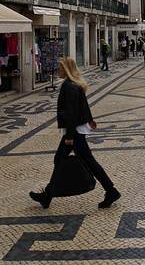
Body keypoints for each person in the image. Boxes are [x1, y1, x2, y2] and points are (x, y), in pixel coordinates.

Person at [29, 57, 120, 209]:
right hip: (77, 129)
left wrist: (70, 136)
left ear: (67, 69)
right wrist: (90, 119)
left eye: (60, 67)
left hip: (74, 132)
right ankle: (48, 195)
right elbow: (83, 104)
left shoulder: (68, 86)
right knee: (68, 160)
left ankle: (110, 191)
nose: (58, 70)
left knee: (78, 161)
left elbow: (71, 112)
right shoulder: (74, 84)